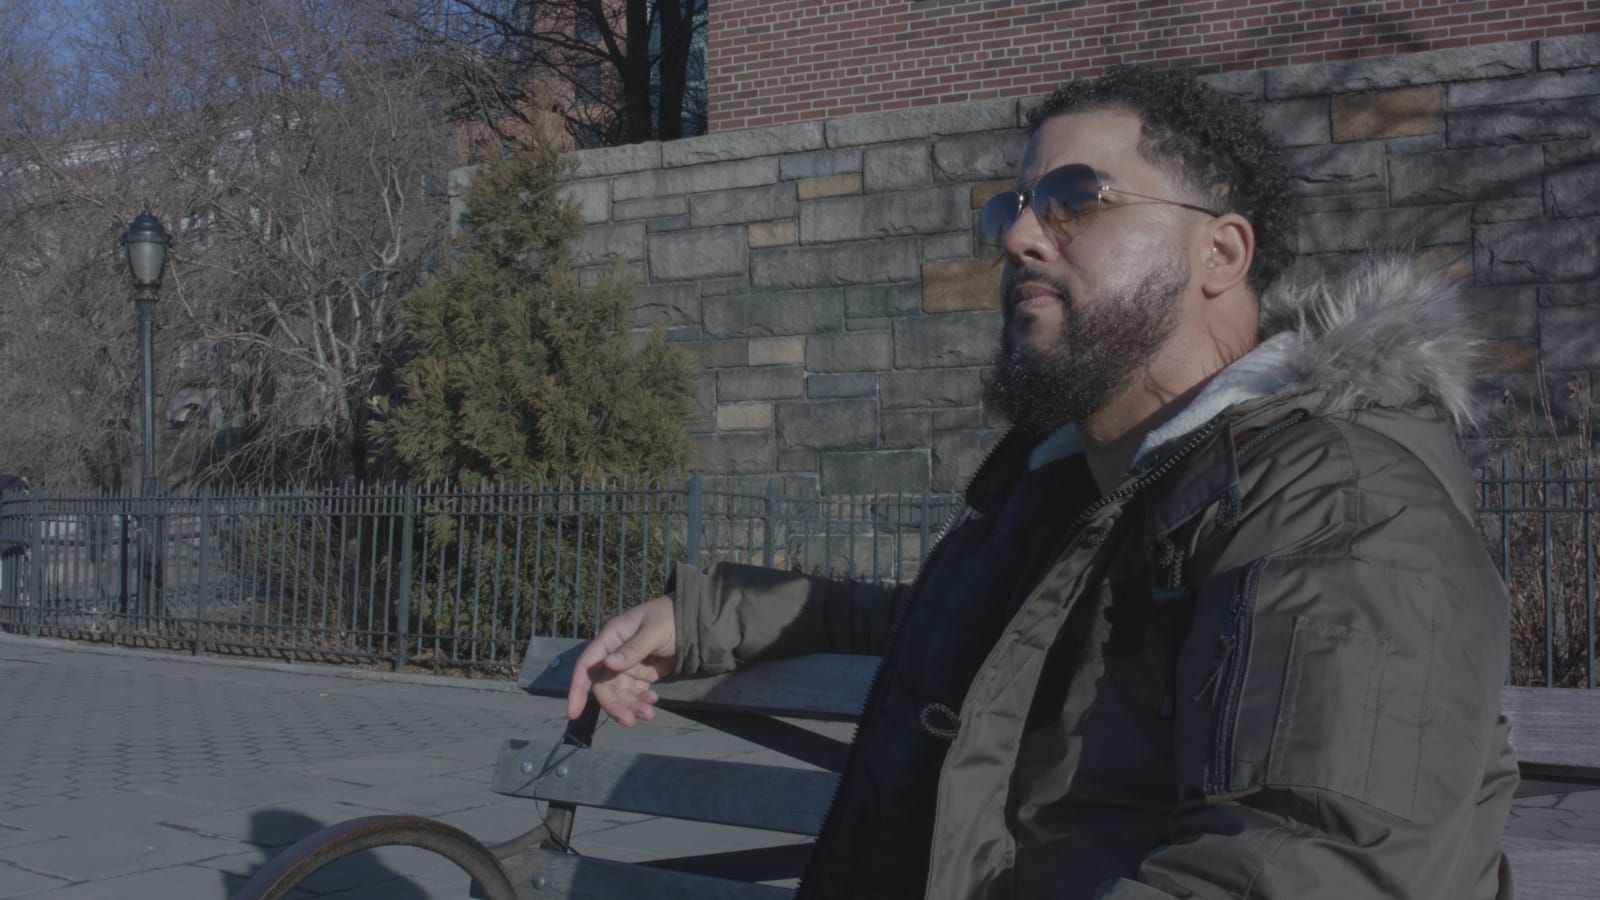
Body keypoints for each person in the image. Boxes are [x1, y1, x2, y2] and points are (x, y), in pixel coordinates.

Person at [567, 66, 1517, 899]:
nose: (1020, 235)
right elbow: (940, 628)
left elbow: (1300, 865)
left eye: (1074, 199)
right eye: (1011, 208)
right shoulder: (1069, 492)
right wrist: (707, 615)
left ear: (1221, 254)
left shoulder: (1338, 509)